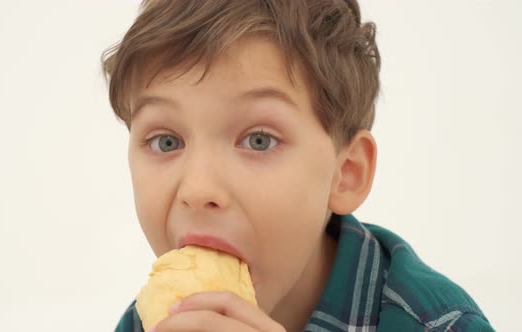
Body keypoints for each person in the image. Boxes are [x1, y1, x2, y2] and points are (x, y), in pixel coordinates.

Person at [101, 0, 494, 331]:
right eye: (166, 141)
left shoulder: (440, 324)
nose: (199, 189)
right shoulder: (150, 321)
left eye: (259, 140)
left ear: (346, 173)